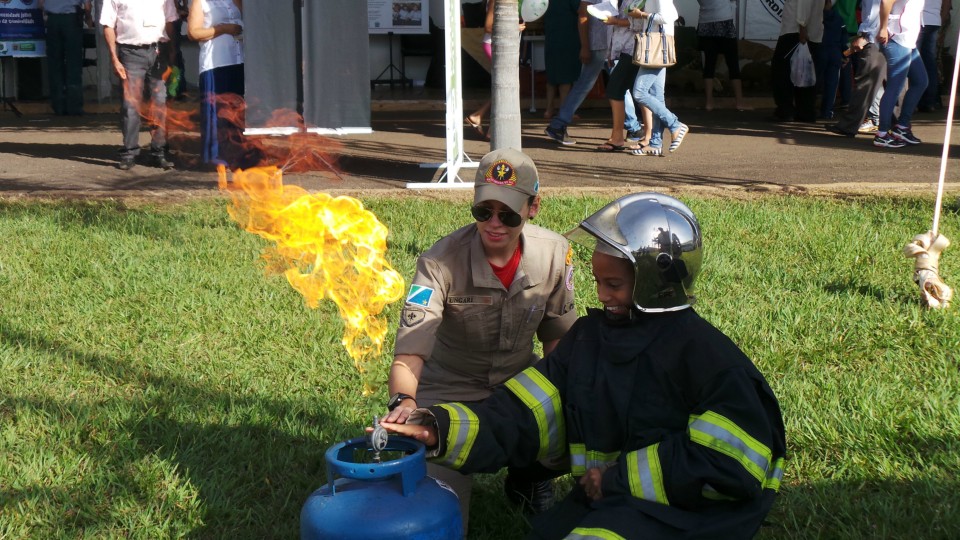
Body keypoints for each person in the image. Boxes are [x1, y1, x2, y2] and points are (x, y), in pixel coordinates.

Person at [379, 192, 787, 540]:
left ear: (656, 281)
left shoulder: (708, 359)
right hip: (617, 497)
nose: (602, 295)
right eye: (597, 281)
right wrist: (439, 430)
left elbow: (735, 467)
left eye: (614, 285)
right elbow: (520, 413)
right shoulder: (592, 338)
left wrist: (615, 478)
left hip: (692, 514)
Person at [386, 148, 578, 529]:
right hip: (449, 387)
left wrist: (570, 400)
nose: (494, 223)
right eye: (483, 211)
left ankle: (528, 477)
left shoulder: (554, 254)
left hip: (519, 382)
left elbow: (559, 344)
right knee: (442, 511)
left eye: (508, 214)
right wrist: (405, 401)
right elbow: (410, 352)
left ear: (533, 207)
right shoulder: (439, 262)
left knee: (579, 423)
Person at [543, 0, 643, 146]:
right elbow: (582, 14)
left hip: (608, 44)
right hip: (602, 44)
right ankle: (558, 124)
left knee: (607, 84)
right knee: (603, 84)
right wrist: (585, 46)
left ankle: (633, 126)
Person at [100, 0, 179, 171]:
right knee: (131, 104)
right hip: (130, 53)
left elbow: (171, 21)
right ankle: (129, 153)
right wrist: (114, 58)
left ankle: (158, 152)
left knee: (159, 102)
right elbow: (108, 26)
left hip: (159, 51)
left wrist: (173, 50)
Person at [188, 0, 246, 168]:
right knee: (216, 111)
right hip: (215, 62)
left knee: (235, 110)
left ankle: (236, 152)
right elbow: (193, 32)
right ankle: (214, 156)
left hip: (237, 59)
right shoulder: (200, 2)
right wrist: (223, 29)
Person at [628, 0, 690, 155]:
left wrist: (641, 14)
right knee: (657, 96)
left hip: (654, 49)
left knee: (639, 92)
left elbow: (666, 17)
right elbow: (674, 14)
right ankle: (655, 143)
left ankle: (675, 125)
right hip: (658, 49)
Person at [825, 0, 888, 137]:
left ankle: (853, 124)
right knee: (889, 83)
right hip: (888, 37)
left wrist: (865, 36)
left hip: (874, 37)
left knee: (867, 81)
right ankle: (894, 124)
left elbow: (876, 9)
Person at [873, 0, 927, 148]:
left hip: (908, 41)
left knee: (920, 81)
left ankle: (901, 127)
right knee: (895, 87)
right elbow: (886, 1)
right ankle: (882, 133)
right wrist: (883, 28)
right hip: (896, 38)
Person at [770, 0, 826, 122]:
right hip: (813, 31)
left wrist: (802, 28)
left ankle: (786, 111)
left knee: (782, 72)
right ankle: (805, 111)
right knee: (806, 73)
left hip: (796, 31)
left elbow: (803, 3)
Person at [696, 0, 750, 111]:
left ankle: (709, 103)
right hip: (724, 20)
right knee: (732, 62)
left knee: (709, 63)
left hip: (705, 22)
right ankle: (739, 103)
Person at [41, 0, 92, 116]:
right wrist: (88, 20)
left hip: (52, 21)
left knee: (54, 64)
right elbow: (88, 7)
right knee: (73, 64)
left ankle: (58, 106)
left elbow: (40, 4)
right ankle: (74, 107)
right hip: (71, 21)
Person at [542, 0, 581, 120]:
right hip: (567, 36)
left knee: (552, 75)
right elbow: (581, 10)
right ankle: (565, 111)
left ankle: (549, 109)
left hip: (551, 35)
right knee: (566, 77)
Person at [916, 0, 952, 112]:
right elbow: (947, 4)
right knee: (930, 62)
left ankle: (914, 101)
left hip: (919, 21)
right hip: (934, 21)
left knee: (913, 60)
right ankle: (930, 101)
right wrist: (940, 19)